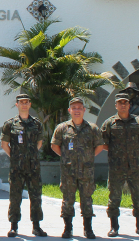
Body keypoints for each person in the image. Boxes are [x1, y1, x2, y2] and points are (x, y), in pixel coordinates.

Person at [101, 93, 139, 238]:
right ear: (116, 105)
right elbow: (103, 144)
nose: (123, 105)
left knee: (138, 196)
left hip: (134, 167)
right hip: (116, 167)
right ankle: (114, 227)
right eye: (120, 103)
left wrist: (135, 150)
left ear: (129, 105)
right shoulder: (109, 123)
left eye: (125, 102)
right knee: (114, 197)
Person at [51, 97, 103, 239]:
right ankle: (68, 229)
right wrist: (66, 157)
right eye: (74, 108)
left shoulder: (92, 128)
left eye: (80, 108)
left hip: (86, 171)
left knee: (87, 200)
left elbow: (100, 145)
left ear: (84, 110)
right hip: (68, 172)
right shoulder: (62, 128)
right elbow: (54, 145)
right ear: (70, 110)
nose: (77, 110)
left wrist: (89, 157)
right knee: (68, 200)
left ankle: (88, 229)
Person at [0, 94, 47, 237]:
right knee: (15, 197)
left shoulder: (37, 123)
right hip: (17, 168)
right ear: (17, 105)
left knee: (36, 196)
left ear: (30, 104)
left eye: (26, 102)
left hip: (33, 167)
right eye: (21, 102)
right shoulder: (10, 124)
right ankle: (14, 226)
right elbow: (4, 145)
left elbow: (39, 143)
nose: (24, 105)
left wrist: (30, 156)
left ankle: (36, 226)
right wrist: (15, 157)